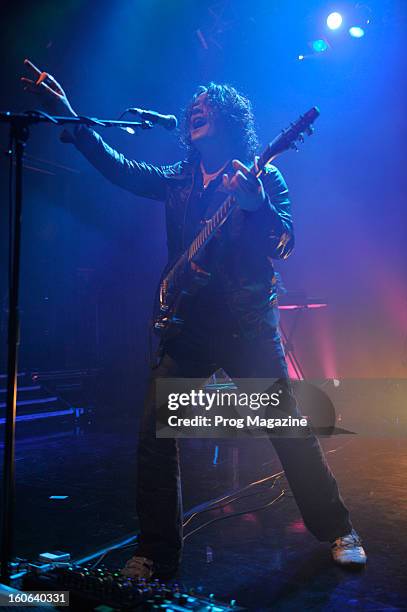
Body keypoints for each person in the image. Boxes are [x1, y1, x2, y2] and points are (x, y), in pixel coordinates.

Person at [21, 59, 367, 578]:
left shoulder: (264, 174)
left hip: (247, 329)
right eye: (193, 108)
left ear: (229, 120)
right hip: (187, 328)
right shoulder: (181, 179)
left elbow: (284, 242)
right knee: (154, 439)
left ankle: (339, 528)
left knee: (289, 434)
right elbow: (120, 169)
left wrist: (254, 205)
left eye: (207, 106)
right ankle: (155, 553)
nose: (195, 110)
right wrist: (69, 115)